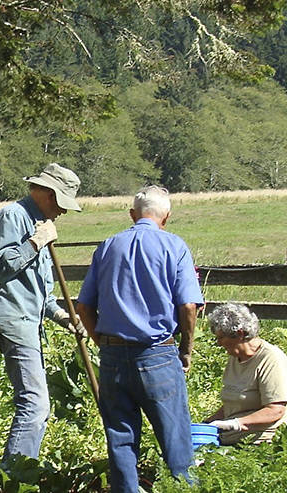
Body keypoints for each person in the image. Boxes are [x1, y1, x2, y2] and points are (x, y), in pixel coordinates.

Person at [76, 185, 203, 493]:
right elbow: (187, 305)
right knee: (175, 439)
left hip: (112, 357)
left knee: (120, 439)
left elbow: (83, 306)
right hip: (157, 353)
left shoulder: (108, 246)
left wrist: (100, 342)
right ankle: (182, 489)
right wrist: (186, 350)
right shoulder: (174, 246)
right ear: (167, 217)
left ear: (132, 215)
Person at [0, 162, 86, 464]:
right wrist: (36, 242)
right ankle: (14, 474)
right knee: (35, 405)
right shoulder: (14, 216)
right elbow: (0, 269)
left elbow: (41, 294)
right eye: (60, 202)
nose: (62, 211)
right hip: (11, 318)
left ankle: (17, 470)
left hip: (26, 318)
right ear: (45, 193)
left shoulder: (40, 223)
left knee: (36, 403)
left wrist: (65, 317)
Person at [205, 303, 287, 445]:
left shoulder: (271, 359)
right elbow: (235, 405)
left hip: (257, 444)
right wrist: (207, 423)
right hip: (229, 439)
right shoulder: (235, 357)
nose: (218, 343)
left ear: (240, 334)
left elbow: (276, 410)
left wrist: (236, 424)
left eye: (221, 337)